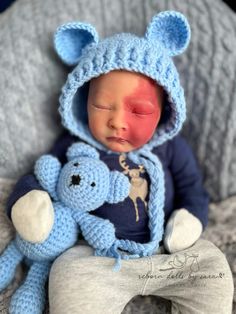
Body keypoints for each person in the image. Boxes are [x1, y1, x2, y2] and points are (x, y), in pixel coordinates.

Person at [6, 11, 234, 313]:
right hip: (97, 255)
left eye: (138, 111)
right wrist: (28, 200)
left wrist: (190, 219)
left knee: (214, 274)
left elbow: (193, 189)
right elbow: (40, 174)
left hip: (167, 254)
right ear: (83, 101)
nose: (117, 122)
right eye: (101, 106)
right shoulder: (77, 146)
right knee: (67, 275)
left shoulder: (171, 149)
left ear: (164, 110)